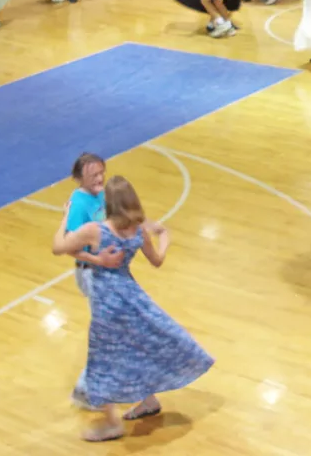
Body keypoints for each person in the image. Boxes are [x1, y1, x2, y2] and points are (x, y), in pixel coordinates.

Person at [52, 176, 214, 442]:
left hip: (108, 304)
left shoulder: (96, 230)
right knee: (142, 345)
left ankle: (111, 423)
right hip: (133, 297)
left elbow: (59, 247)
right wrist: (165, 236)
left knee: (105, 362)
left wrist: (66, 216)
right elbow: (158, 261)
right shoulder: (138, 231)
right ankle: (148, 401)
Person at [61, 154, 125, 410]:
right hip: (91, 272)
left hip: (105, 271)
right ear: (79, 178)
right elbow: (69, 246)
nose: (99, 179)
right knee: (107, 331)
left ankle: (102, 381)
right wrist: (98, 261)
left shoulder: (100, 194)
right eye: (93, 176)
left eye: (101, 173)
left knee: (114, 327)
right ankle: (85, 389)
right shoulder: (78, 205)